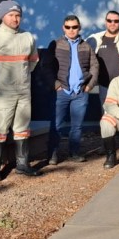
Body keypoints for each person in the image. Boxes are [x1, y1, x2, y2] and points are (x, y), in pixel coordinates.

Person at [0, 0, 41, 182]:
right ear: (2, 16)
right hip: (2, 93)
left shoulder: (27, 37)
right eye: (11, 15)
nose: (15, 19)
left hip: (23, 91)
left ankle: (22, 164)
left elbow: (33, 62)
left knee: (22, 129)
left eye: (18, 15)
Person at [45, 14, 98, 165]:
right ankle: (53, 154)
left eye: (74, 27)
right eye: (68, 27)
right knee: (56, 125)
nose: (71, 30)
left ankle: (74, 153)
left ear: (79, 28)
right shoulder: (55, 44)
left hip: (80, 92)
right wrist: (55, 85)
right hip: (61, 91)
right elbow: (46, 66)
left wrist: (89, 85)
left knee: (77, 127)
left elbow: (94, 66)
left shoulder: (86, 46)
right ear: (63, 28)